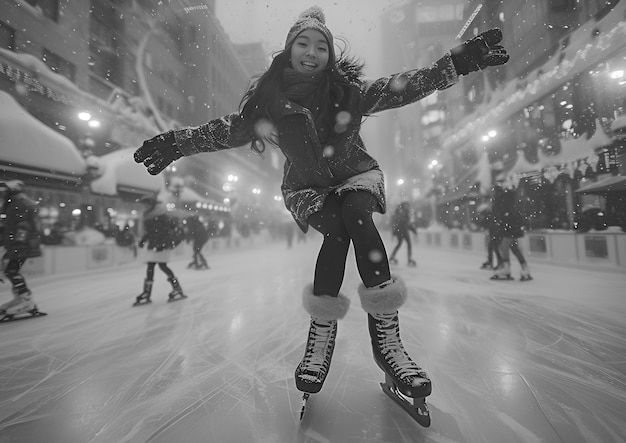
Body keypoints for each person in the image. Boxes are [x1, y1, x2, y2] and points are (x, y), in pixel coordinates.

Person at [133, 6, 508, 421]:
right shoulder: (269, 105)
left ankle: (389, 343)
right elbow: (224, 130)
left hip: (357, 176)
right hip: (308, 190)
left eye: (321, 46)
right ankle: (322, 335)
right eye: (303, 44)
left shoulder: (349, 93)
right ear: (289, 50)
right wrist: (175, 143)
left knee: (356, 216)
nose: (312, 53)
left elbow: (405, 86)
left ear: (330, 54)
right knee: (339, 228)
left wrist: (455, 63)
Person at [0, 180, 45, 319]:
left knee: (11, 271)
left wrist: (18, 242)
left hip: (21, 245)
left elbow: (22, 226)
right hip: (20, 244)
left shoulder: (17, 204)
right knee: (12, 271)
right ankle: (23, 297)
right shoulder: (15, 203)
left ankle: (25, 299)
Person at [134, 196, 187, 305]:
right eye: (144, 205)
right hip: (155, 244)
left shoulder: (159, 216)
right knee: (154, 266)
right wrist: (143, 240)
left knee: (160, 266)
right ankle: (148, 292)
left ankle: (174, 289)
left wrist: (162, 244)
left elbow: (164, 230)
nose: (144, 206)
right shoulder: (149, 215)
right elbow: (150, 232)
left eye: (147, 204)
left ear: (152, 205)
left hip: (162, 245)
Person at [490, 185, 532, 281]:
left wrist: (501, 224)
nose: (491, 193)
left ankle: (507, 268)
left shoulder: (501, 199)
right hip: (510, 225)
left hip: (510, 226)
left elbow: (501, 214)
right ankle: (523, 268)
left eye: (492, 191)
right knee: (513, 248)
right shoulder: (503, 199)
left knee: (504, 246)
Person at [389, 201, 417, 266]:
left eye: (408, 205)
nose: (408, 207)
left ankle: (393, 256)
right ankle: (409, 258)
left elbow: (403, 223)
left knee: (400, 244)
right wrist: (412, 229)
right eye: (406, 205)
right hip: (402, 231)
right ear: (404, 206)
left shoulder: (403, 212)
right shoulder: (402, 212)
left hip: (402, 231)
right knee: (406, 244)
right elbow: (402, 222)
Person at [475, 203, 502, 270]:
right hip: (495, 233)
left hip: (495, 233)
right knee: (492, 248)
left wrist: (479, 227)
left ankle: (499, 263)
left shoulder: (487, 216)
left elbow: (484, 224)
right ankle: (495, 262)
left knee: (495, 248)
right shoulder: (489, 215)